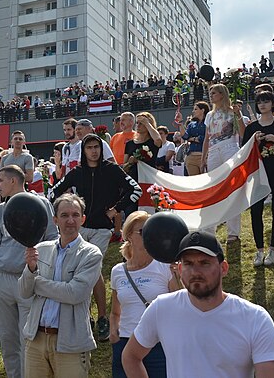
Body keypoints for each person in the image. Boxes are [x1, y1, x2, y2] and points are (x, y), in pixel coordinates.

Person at [121, 231, 274, 378]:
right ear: (179, 269)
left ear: (224, 268)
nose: (195, 272)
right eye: (188, 264)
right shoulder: (161, 308)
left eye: (204, 263)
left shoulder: (255, 318)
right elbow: (131, 356)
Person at [51, 134, 141, 342]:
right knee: (78, 269)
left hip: (102, 229)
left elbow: (134, 189)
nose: (93, 151)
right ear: (83, 151)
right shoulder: (77, 172)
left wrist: (116, 210)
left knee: (93, 269)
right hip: (79, 228)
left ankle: (101, 317)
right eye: (89, 147)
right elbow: (53, 193)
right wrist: (69, 209)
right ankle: (84, 316)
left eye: (97, 147)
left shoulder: (111, 170)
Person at [0, 165, 58, 378]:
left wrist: (41, 271)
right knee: (7, 337)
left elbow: (52, 239)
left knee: (28, 337)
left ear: (13, 181)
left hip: (29, 277)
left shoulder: (41, 203)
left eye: (1, 181)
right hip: (2, 279)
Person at [20, 193, 103, 378]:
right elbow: (24, 291)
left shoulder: (91, 254)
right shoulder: (41, 249)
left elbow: (75, 294)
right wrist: (30, 270)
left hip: (70, 343)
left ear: (83, 219)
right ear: (55, 219)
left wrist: (38, 282)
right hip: (36, 339)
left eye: (75, 215)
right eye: (64, 215)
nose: (70, 220)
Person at [109, 212, 180, 378]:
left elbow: (179, 304)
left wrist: (177, 276)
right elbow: (115, 312)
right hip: (126, 342)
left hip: (157, 343)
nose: (149, 236)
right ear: (128, 236)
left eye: (151, 231)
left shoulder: (164, 266)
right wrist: (114, 332)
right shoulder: (118, 271)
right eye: (142, 232)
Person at [242, 91, 274, 266]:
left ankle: (273, 250)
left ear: (273, 104)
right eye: (259, 102)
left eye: (266, 101)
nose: (263, 105)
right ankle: (259, 251)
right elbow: (244, 155)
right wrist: (254, 143)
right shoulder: (251, 128)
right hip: (258, 173)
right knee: (255, 211)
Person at [202, 83, 246, 241]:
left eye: (214, 92)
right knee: (213, 191)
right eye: (210, 92)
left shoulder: (233, 111)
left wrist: (238, 114)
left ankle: (233, 232)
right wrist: (203, 158)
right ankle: (209, 231)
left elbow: (243, 133)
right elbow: (207, 138)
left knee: (231, 189)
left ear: (222, 94)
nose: (211, 95)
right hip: (213, 151)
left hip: (230, 148)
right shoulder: (209, 115)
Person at [123, 112, 162, 183]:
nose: (138, 125)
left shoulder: (152, 142)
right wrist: (130, 162)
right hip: (133, 180)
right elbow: (124, 167)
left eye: (141, 123)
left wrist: (147, 124)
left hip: (149, 179)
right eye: (137, 123)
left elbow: (158, 140)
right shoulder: (130, 143)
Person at [176, 102, 208, 176]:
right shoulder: (191, 124)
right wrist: (180, 122)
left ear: (202, 110)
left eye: (196, 109)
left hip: (204, 156)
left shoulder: (208, 122)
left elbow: (206, 138)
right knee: (194, 183)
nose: (193, 111)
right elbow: (185, 136)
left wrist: (192, 139)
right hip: (191, 157)